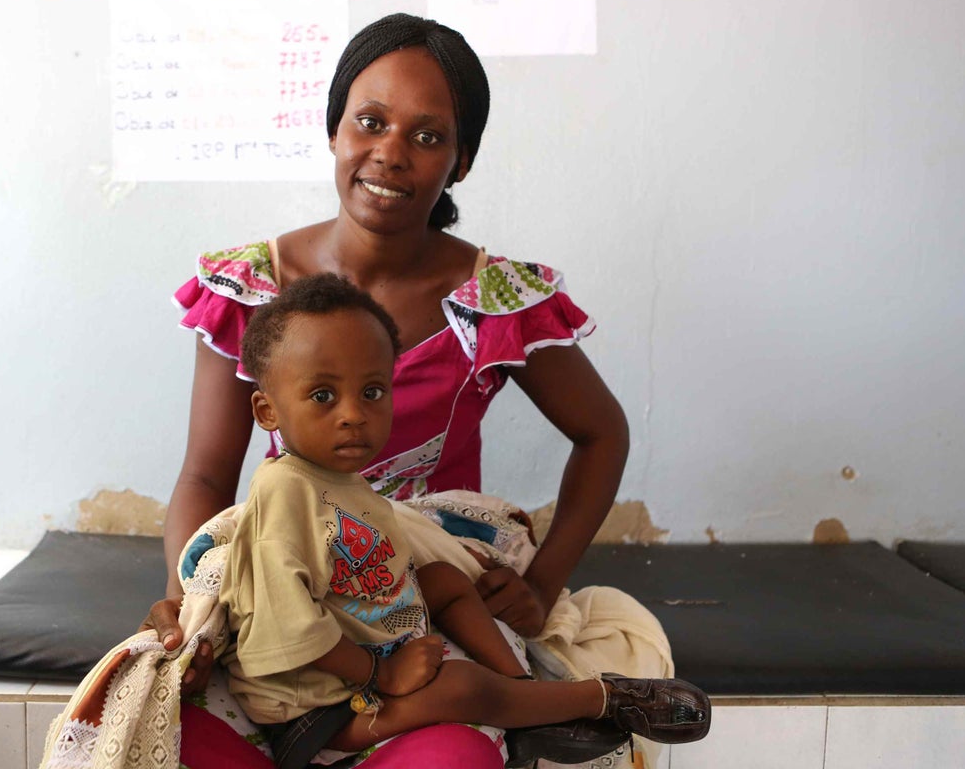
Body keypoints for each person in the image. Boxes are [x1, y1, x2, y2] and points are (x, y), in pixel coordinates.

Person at [146, 12, 673, 767]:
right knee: (165, 728)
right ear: (334, 130)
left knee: (456, 751)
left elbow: (603, 434)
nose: (390, 154)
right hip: (290, 569)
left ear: (460, 162)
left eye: (428, 137)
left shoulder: (495, 297)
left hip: (424, 595)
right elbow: (204, 474)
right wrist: (185, 604)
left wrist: (545, 584)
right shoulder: (250, 289)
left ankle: (520, 709)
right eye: (371, 122)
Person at [217, 272, 709, 769]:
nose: (353, 415)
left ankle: (523, 698)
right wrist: (382, 674)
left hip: (362, 633)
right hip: (316, 707)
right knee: (462, 685)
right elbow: (288, 631)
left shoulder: (338, 479)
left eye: (372, 392)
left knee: (445, 580)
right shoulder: (283, 492)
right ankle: (601, 699)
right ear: (267, 410)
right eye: (323, 396)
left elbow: (362, 565)